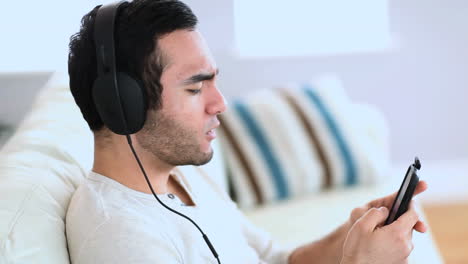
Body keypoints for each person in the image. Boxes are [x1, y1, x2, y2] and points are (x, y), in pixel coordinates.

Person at [66, 0, 428, 263]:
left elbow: (274, 259)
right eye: (195, 88)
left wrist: (350, 237)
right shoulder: (121, 238)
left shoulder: (185, 177)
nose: (220, 103)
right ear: (124, 103)